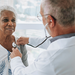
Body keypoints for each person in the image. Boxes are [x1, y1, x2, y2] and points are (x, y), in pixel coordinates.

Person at [10, 0, 75, 75]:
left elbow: (20, 73)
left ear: (50, 21)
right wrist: (29, 40)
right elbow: (53, 43)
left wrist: (16, 58)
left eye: (41, 16)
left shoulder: (51, 60)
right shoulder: (67, 45)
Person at [0, 6, 28, 75]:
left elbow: (25, 68)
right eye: (5, 20)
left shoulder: (20, 43)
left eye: (13, 20)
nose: (10, 23)